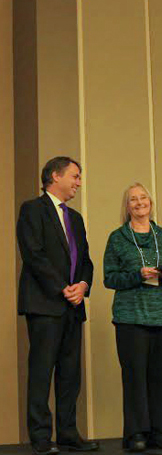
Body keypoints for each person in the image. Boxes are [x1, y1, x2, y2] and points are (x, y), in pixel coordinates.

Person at [16, 157, 99, 455]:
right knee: (41, 371)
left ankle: (67, 433)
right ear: (55, 175)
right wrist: (62, 287)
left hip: (73, 306)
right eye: (75, 176)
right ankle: (40, 437)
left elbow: (86, 260)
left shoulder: (75, 218)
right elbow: (33, 254)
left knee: (70, 373)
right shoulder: (32, 209)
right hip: (45, 303)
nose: (79, 182)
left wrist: (83, 286)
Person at [103, 183, 162, 452]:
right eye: (133, 200)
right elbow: (109, 278)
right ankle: (135, 433)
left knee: (158, 376)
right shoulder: (117, 237)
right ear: (127, 206)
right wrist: (138, 275)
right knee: (134, 377)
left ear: (150, 202)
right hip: (130, 316)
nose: (139, 203)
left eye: (143, 198)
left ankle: (159, 431)